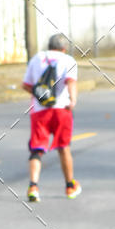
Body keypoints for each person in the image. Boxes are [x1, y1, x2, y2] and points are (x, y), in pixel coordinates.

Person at [22, 32, 81, 202]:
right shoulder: (68, 60)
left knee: (36, 148)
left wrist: (40, 95)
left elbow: (26, 85)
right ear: (64, 48)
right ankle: (70, 186)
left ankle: (33, 186)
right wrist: (73, 100)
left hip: (39, 111)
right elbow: (71, 82)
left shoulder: (36, 59)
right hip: (62, 110)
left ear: (49, 46)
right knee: (64, 147)